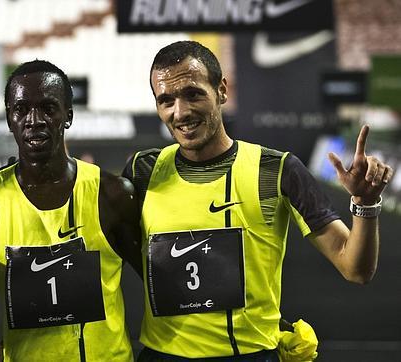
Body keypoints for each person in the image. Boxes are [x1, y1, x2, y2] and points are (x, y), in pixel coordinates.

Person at [122, 40, 394, 361]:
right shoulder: (144, 170)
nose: (179, 112)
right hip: (161, 355)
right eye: (166, 100)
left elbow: (355, 269)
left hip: (249, 356)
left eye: (193, 94)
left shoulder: (277, 169)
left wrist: (365, 203)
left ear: (221, 91)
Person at [0, 60, 142, 361]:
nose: (34, 119)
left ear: (68, 115)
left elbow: (158, 284)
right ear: (9, 119)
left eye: (48, 107)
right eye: (21, 109)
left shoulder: (112, 194)